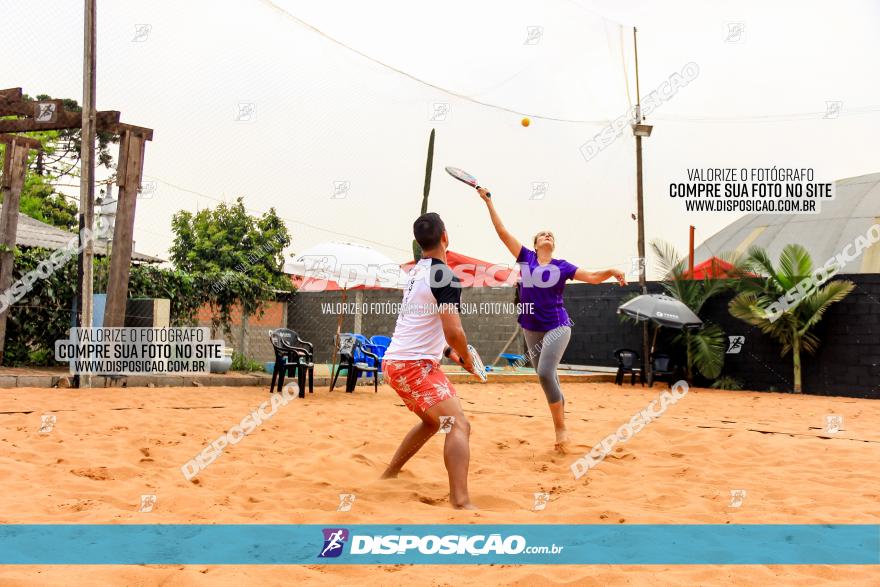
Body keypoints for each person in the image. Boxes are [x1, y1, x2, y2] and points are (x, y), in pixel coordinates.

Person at [477, 186, 627, 453]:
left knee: (546, 373)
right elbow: (502, 233)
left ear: (553, 244)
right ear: (535, 244)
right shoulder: (525, 258)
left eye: (551, 234)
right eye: (542, 234)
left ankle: (560, 429)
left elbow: (592, 277)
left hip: (558, 325)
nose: (547, 236)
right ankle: (560, 413)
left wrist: (612, 270)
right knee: (545, 375)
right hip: (530, 326)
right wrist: (488, 202)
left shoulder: (562, 266)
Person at [381, 212, 479, 509]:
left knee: (431, 422)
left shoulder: (416, 274)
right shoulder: (444, 275)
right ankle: (460, 502)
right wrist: (466, 357)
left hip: (396, 363)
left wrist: (451, 354)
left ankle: (389, 476)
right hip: (413, 366)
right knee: (458, 424)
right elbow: (453, 331)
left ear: (418, 243)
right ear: (445, 237)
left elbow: (425, 328)